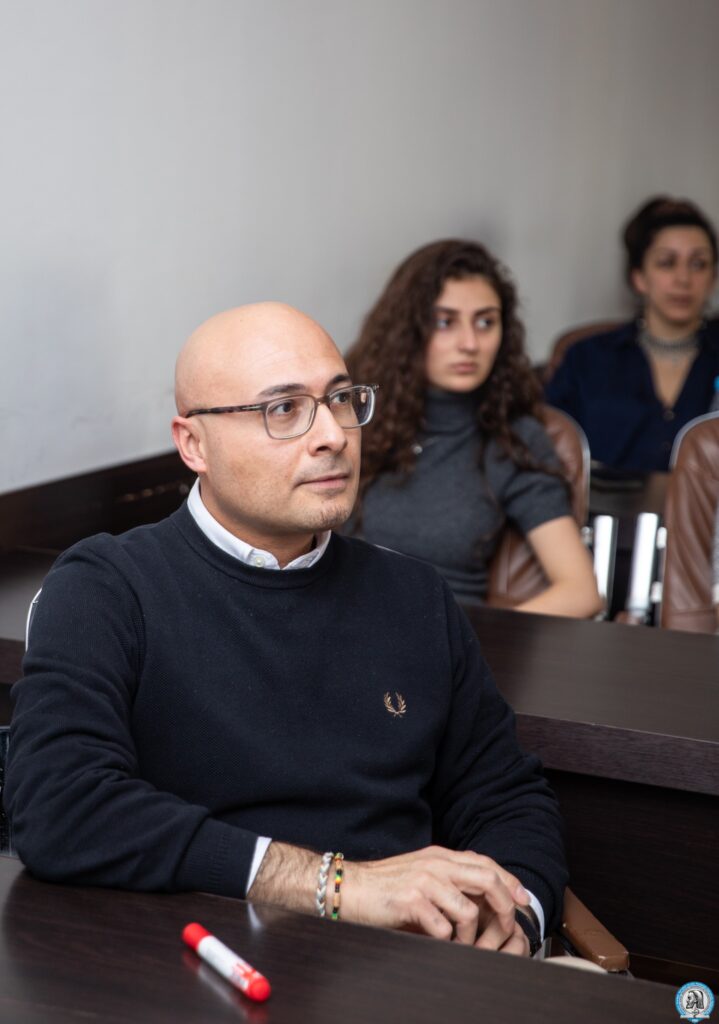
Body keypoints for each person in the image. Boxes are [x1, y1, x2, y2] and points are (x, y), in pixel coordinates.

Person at [6, 302, 567, 957]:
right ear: (193, 444)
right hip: (204, 963)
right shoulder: (107, 587)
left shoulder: (413, 594)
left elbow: (504, 796)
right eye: (284, 409)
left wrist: (518, 917)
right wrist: (336, 885)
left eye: (341, 400)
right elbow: (60, 804)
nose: (332, 435)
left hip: (411, 966)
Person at [345, 239, 601, 616]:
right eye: (445, 322)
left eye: (485, 322)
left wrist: (469, 643)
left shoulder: (512, 438)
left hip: (435, 635)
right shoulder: (356, 414)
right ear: (408, 331)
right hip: (328, 626)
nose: (470, 344)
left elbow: (580, 592)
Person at [546, 196, 719, 473]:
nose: (683, 279)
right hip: (601, 501)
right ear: (639, 277)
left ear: (712, 278)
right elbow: (545, 455)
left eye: (698, 264)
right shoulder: (586, 358)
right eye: (667, 263)